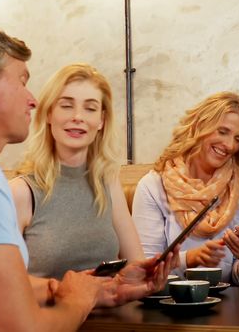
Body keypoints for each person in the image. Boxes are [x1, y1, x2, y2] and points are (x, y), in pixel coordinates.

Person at [0, 25, 172, 331]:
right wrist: (78, 301)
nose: (32, 100)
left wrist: (99, 290)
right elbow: (23, 329)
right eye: (22, 81)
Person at [11, 63, 144, 278]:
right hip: (46, 312)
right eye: (66, 106)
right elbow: (9, 286)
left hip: (110, 309)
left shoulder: (107, 182)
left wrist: (170, 263)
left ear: (101, 120)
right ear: (48, 114)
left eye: (90, 108)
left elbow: (137, 268)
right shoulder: (21, 192)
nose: (78, 117)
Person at [131, 92, 239, 282]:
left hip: (233, 305)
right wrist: (189, 259)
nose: (229, 145)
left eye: (238, 139)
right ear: (199, 126)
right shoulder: (153, 186)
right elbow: (144, 272)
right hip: (171, 304)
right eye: (222, 131)